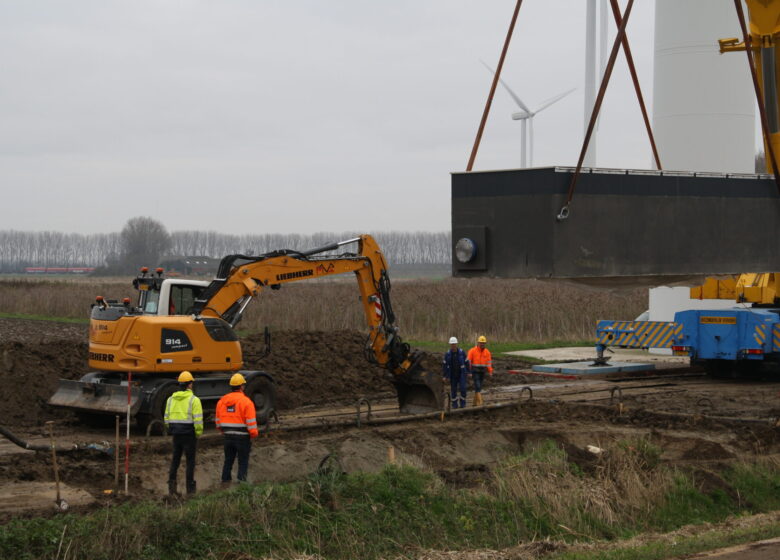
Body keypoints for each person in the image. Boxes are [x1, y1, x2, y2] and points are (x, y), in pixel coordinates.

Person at [164, 371, 204, 496]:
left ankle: (171, 487)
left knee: (175, 460)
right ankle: (190, 490)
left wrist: (171, 430)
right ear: (190, 384)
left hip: (176, 434)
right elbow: (198, 420)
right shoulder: (194, 400)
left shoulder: (170, 399)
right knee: (190, 462)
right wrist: (198, 433)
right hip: (189, 435)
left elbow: (166, 418)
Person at [215, 373, 259, 485]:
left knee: (228, 460)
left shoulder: (222, 402)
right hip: (243, 437)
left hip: (228, 436)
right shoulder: (246, 402)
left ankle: (225, 483)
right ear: (242, 386)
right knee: (243, 461)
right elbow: (251, 423)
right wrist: (253, 434)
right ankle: (241, 484)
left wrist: (223, 431)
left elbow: (218, 421)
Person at [442, 336, 470, 409]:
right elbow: (445, 366)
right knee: (453, 390)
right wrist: (445, 376)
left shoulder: (462, 353)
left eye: (454, 344)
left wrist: (469, 372)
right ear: (450, 345)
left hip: (461, 374)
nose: (453, 346)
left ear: (456, 344)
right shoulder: (447, 354)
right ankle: (454, 404)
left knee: (463, 388)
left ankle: (462, 403)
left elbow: (467, 362)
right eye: (452, 344)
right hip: (452, 375)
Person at [467, 335, 493, 406]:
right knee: (477, 386)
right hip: (475, 371)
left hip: (482, 372)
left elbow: (489, 363)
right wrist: (469, 371)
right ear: (478, 343)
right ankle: (480, 403)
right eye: (481, 343)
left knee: (479, 387)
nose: (482, 344)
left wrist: (490, 371)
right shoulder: (472, 351)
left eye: (483, 343)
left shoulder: (487, 352)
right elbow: (468, 362)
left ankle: (475, 403)